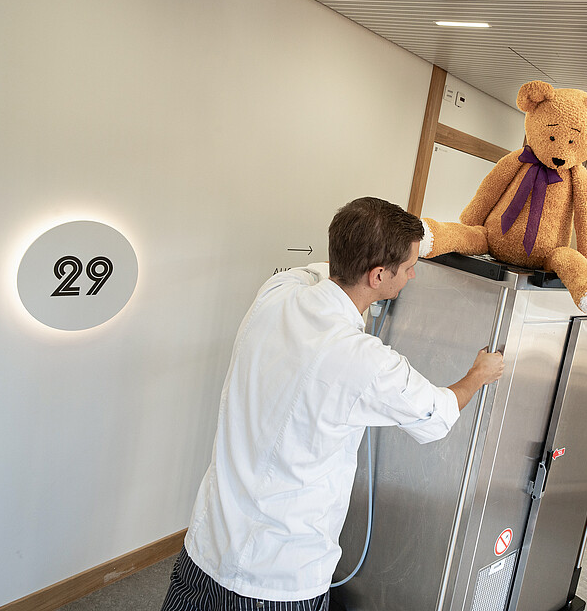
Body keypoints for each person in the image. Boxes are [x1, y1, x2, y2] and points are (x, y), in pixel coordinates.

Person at [161, 197, 505, 611]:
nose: (414, 275)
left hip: (207, 548)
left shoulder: (275, 294)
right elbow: (438, 414)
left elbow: (313, 272)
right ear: (378, 275)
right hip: (281, 576)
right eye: (410, 266)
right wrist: (477, 375)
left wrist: (386, 254)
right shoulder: (366, 360)